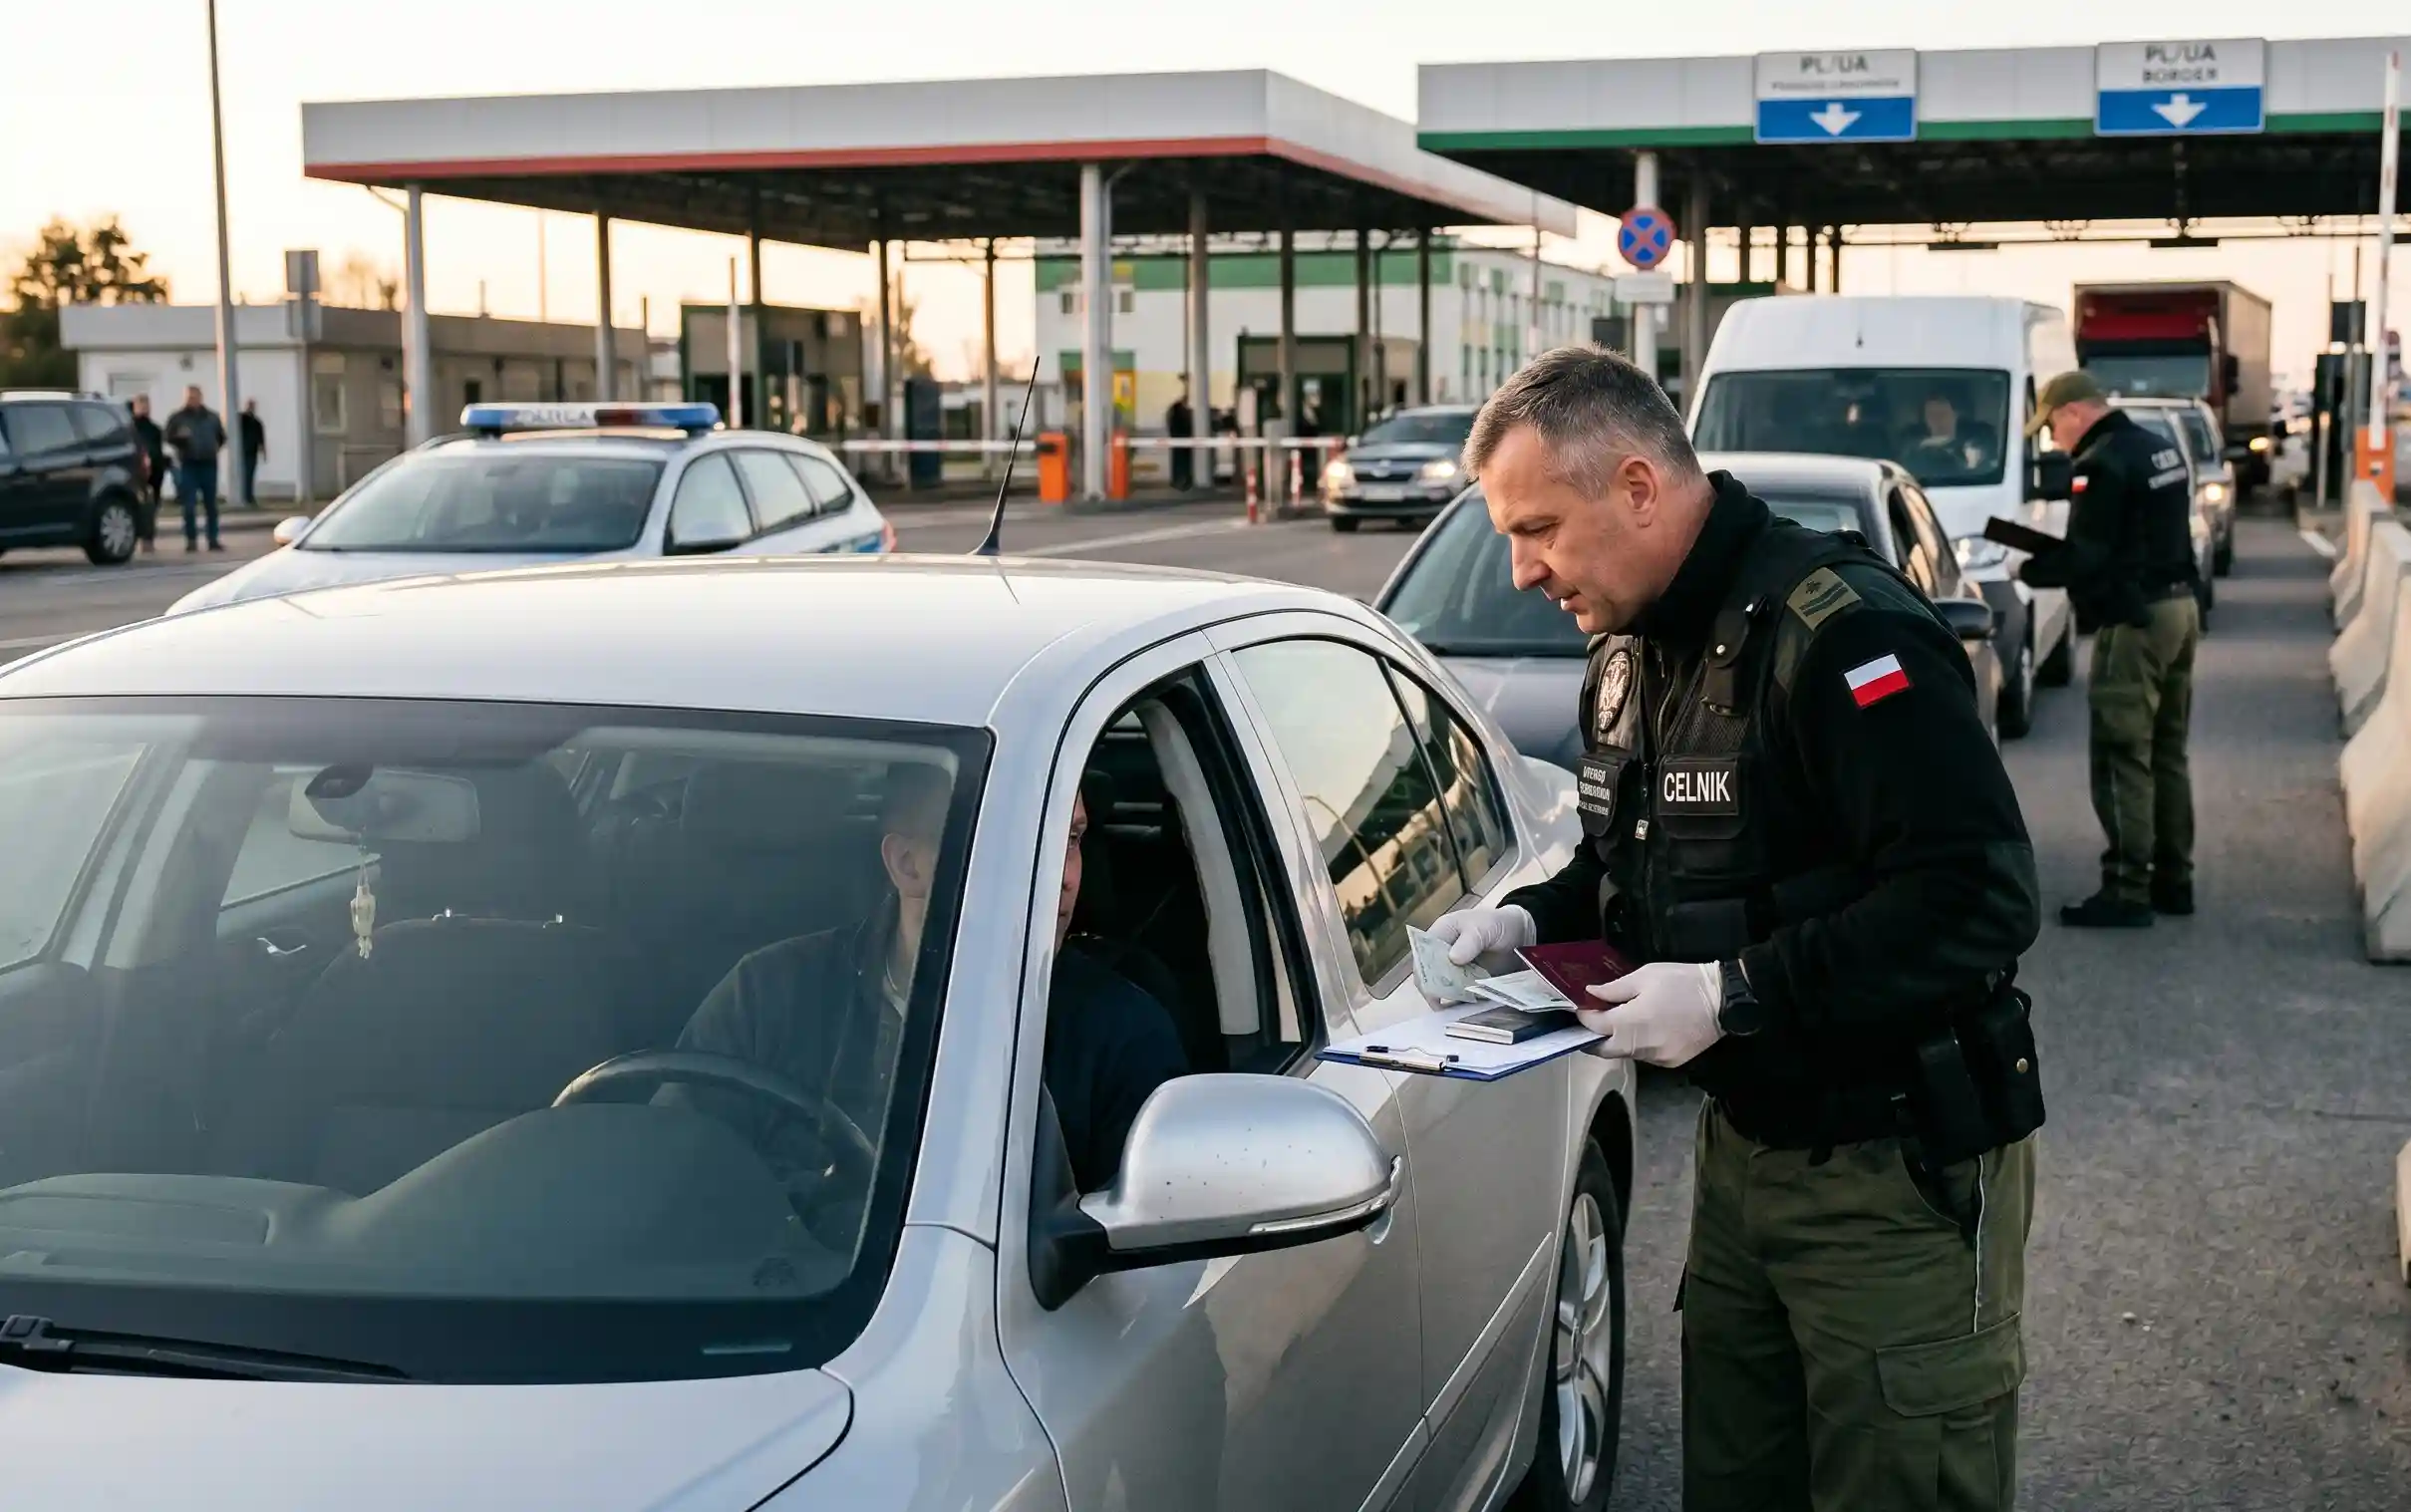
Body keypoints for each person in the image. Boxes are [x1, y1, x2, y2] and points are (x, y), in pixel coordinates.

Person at [1433, 346, 2043, 1512]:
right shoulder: (1626, 650)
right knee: (1734, 1479)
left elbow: (1976, 896)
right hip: (1742, 1159)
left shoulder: (1842, 636)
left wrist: (1729, 991)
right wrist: (1525, 918)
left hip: (1895, 1166)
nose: (1520, 569)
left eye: (1538, 527)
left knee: (1897, 1481)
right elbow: (1628, 858)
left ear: (1637, 487)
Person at [674, 764, 1186, 1200]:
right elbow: (666, 1180)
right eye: (1016, 838)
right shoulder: (766, 996)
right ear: (906, 864)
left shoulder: (1121, 1029)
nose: (1065, 874)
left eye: (1071, 839)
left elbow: (1143, 1265)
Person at [2016, 371, 2202, 927]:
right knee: (2167, 752)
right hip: (2180, 610)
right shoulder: (2158, 449)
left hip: (2134, 620)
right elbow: (2134, 536)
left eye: (2052, 425)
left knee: (2122, 756)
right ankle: (2175, 880)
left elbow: (2091, 556)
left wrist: (2029, 565)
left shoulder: (2100, 464)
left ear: (2074, 412)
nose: (2054, 439)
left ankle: (2127, 889)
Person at [162, 386, 226, 552]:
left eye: (195, 397)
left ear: (201, 397)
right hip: (188, 464)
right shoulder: (178, 418)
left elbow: (221, 437)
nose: (192, 400)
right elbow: (167, 436)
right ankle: (191, 540)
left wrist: (213, 449)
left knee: (211, 504)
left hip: (208, 464)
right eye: (189, 397)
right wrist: (180, 440)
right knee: (189, 505)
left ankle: (213, 539)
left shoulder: (211, 417)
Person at [127, 394, 165, 553]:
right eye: (140, 405)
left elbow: (158, 450)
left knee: (152, 507)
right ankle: (137, 538)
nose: (144, 408)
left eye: (146, 405)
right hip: (136, 473)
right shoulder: (129, 429)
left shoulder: (155, 429)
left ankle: (148, 540)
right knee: (138, 507)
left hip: (155, 472)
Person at [238, 398, 266, 509]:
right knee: (244, 475)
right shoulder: (242, 419)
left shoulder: (256, 422)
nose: (251, 408)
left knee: (249, 475)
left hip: (252, 452)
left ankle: (249, 496)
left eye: (253, 406)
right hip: (243, 452)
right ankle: (245, 496)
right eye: (250, 406)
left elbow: (261, 438)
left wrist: (263, 451)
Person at [1167, 392, 1195, 490]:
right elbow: (1186, 425)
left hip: (1177, 440)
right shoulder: (1179, 411)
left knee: (1178, 461)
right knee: (1183, 462)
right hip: (1183, 440)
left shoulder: (1174, 410)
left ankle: (1178, 481)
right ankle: (1183, 481)